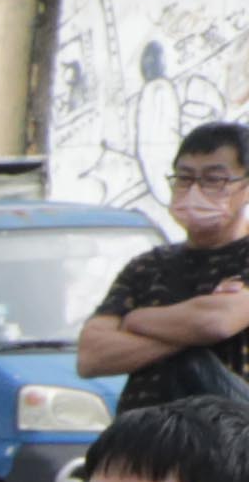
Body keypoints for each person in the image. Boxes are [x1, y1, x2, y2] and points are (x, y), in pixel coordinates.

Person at [73, 121, 249, 409]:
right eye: (184, 178)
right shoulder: (147, 266)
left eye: (214, 179)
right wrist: (190, 329)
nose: (195, 190)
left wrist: (136, 320)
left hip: (227, 442)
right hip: (144, 439)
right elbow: (92, 356)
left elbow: (216, 322)